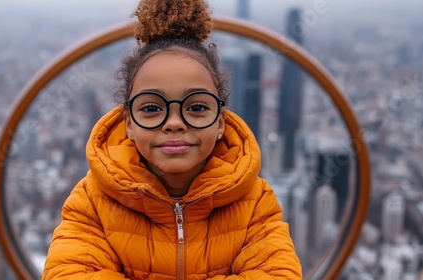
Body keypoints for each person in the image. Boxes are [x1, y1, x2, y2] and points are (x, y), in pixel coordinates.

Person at [43, 0, 302, 279]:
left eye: (197, 107)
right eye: (152, 108)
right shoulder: (93, 200)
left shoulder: (254, 201)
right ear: (128, 123)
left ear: (220, 122)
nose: (175, 123)